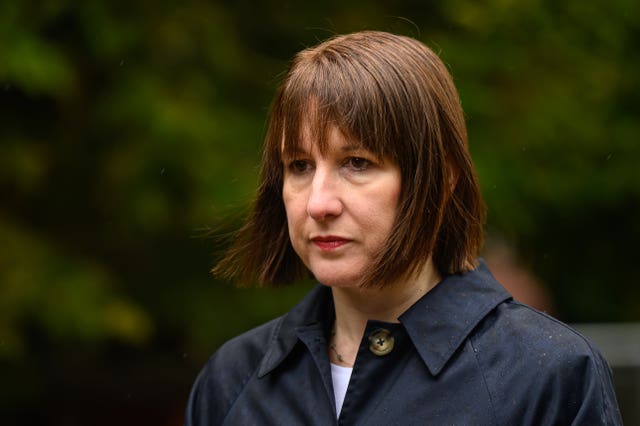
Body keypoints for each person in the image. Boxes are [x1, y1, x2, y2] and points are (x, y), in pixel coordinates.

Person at [185, 31, 622, 425]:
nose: (318, 202)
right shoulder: (233, 380)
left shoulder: (545, 376)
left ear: (442, 178)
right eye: (299, 166)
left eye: (357, 163)